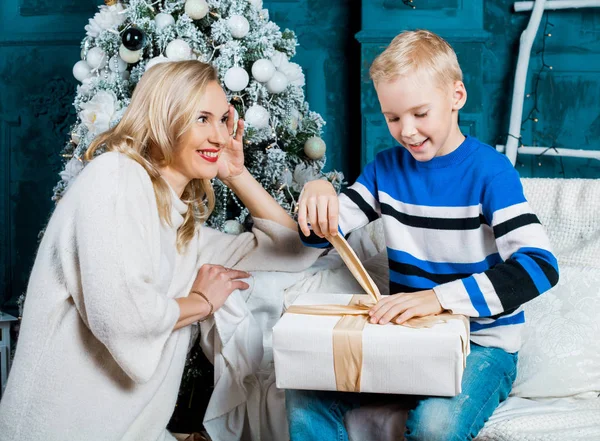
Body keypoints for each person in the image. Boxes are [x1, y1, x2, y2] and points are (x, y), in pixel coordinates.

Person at [0, 60, 321, 441]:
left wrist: (236, 175)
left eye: (222, 120)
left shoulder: (183, 229)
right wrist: (202, 301)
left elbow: (293, 252)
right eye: (202, 118)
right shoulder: (113, 176)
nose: (219, 135)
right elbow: (124, 316)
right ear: (163, 117)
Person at [288, 30, 559, 441]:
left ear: (457, 96)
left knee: (436, 424)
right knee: (305, 392)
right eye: (393, 118)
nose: (407, 131)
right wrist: (318, 190)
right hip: (406, 339)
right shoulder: (385, 169)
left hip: (481, 344)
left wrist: (436, 300)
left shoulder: (491, 173)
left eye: (419, 113)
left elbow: (541, 265)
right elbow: (320, 236)